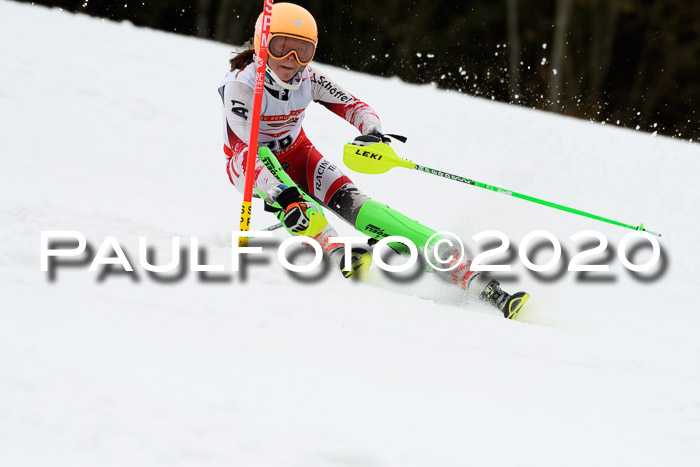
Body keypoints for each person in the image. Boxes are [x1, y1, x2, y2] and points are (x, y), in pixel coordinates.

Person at [218, 2, 528, 318]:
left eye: (303, 51)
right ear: (261, 44)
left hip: (300, 156)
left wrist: (372, 131)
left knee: (362, 207)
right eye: (282, 47)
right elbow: (247, 149)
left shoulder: (309, 78)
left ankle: (461, 270)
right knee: (296, 203)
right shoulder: (241, 85)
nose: (292, 60)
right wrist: (282, 196)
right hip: (250, 166)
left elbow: (355, 106)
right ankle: (331, 246)